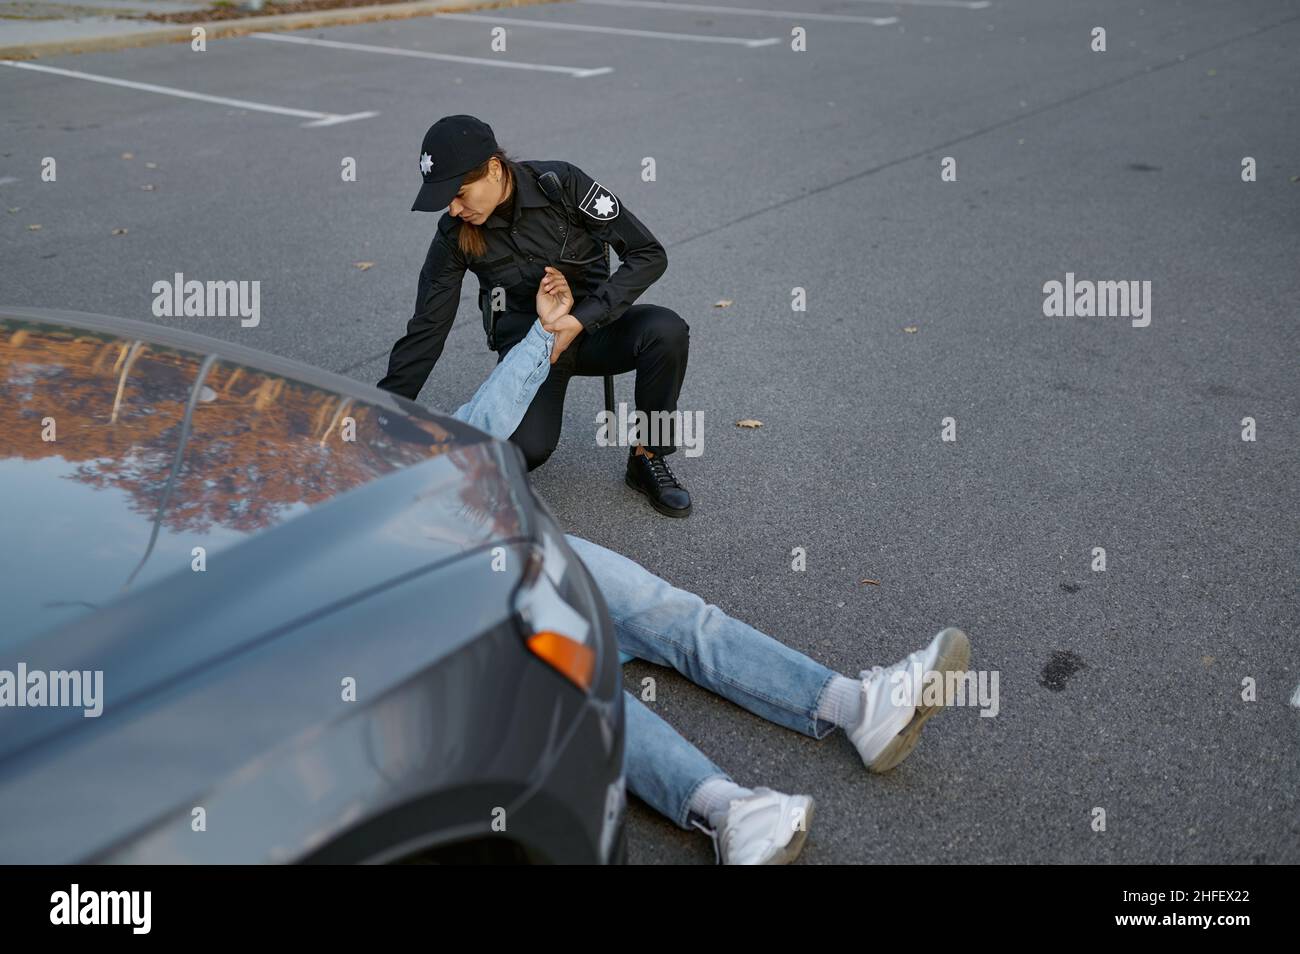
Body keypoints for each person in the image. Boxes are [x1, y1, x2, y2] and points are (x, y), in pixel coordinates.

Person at [432, 266, 975, 865]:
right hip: (455, 612)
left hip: (519, 545)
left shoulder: (358, 447)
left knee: (676, 613)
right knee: (583, 697)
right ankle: (731, 813)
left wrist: (543, 334)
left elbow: (475, 429)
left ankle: (859, 707)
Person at [379, 114, 693, 518]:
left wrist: (580, 320)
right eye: (446, 200)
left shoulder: (563, 185)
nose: (453, 209)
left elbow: (649, 254)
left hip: (598, 329)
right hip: (532, 351)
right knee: (525, 450)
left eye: (459, 193)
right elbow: (426, 329)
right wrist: (379, 418)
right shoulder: (454, 234)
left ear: (493, 168)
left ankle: (648, 455)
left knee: (666, 331)